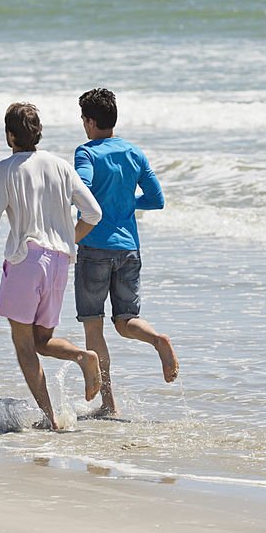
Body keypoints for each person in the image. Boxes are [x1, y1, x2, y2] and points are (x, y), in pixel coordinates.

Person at [0, 102, 103, 430]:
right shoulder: (60, 166)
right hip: (60, 261)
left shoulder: (3, 169)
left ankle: (51, 418)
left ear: (9, 135)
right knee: (41, 341)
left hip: (25, 261)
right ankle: (82, 356)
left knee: (23, 344)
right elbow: (93, 213)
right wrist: (67, 239)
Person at [73, 88, 179, 418]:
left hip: (94, 248)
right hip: (129, 249)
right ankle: (157, 340)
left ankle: (108, 404)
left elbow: (82, 189)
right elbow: (156, 199)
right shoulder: (133, 152)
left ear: (90, 121)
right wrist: (124, 204)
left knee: (94, 328)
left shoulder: (86, 153)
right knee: (126, 321)